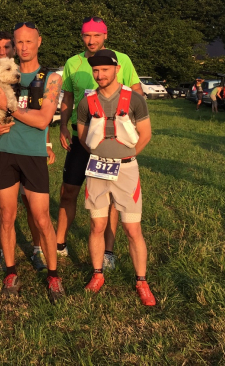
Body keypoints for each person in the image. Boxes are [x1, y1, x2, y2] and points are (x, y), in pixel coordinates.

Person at [0, 22, 65, 303]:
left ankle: (53, 276)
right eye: (19, 42)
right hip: (4, 151)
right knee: (6, 215)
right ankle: (11, 271)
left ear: (39, 41)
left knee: (41, 218)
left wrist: (7, 107)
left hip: (33, 154)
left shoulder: (50, 78)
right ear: (14, 45)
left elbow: (42, 121)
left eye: (29, 41)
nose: (24, 47)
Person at [57, 17, 142, 272]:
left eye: (96, 35)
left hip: (114, 140)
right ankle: (59, 243)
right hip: (81, 137)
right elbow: (68, 97)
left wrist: (131, 127)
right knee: (68, 191)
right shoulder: (73, 62)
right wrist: (62, 125)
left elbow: (136, 92)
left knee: (114, 200)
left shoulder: (122, 60)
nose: (91, 40)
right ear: (81, 37)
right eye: (86, 36)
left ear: (105, 36)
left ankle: (108, 251)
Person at [0, 31, 55, 272]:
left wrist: (47, 144)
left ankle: (37, 250)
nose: (3, 51)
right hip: (0, 146)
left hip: (31, 147)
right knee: (3, 206)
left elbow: (37, 113)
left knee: (32, 205)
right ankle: (4, 255)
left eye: (8, 46)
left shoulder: (24, 75)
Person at [76, 49, 156, 306]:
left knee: (132, 228)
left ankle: (141, 281)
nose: (99, 75)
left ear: (117, 69)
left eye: (105, 70)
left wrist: (125, 158)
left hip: (126, 170)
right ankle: (97, 274)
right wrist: (101, 157)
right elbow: (82, 137)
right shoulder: (86, 102)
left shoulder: (135, 100)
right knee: (97, 226)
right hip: (97, 170)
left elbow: (145, 134)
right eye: (95, 71)